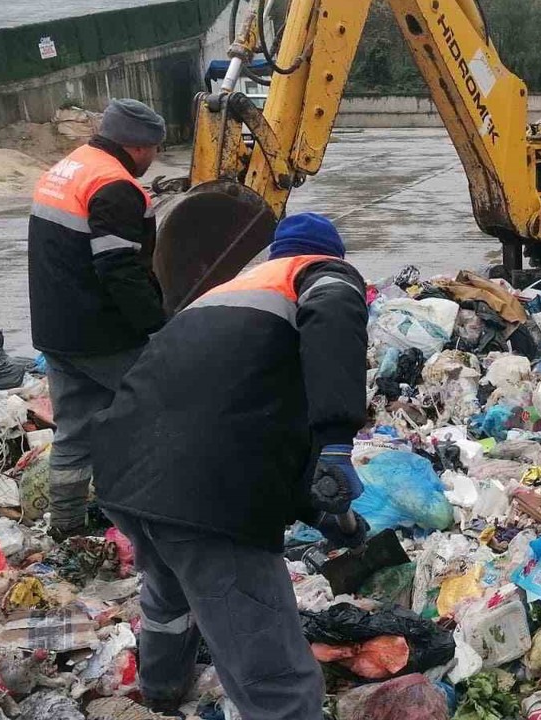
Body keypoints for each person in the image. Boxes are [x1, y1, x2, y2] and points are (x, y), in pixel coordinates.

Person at [92, 213, 370, 719]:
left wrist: (322, 510)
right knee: (271, 662)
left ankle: (161, 692)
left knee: (170, 592)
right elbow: (334, 312)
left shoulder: (225, 294)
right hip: (202, 495)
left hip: (124, 474)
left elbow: (245, 421)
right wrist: (336, 442)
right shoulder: (319, 276)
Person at [27, 98, 168, 539]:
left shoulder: (69, 167)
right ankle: (159, 516)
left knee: (74, 432)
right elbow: (119, 269)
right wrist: (159, 327)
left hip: (57, 330)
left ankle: (66, 529)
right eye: (154, 149)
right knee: (167, 410)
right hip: (102, 335)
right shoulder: (115, 186)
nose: (154, 157)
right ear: (139, 146)